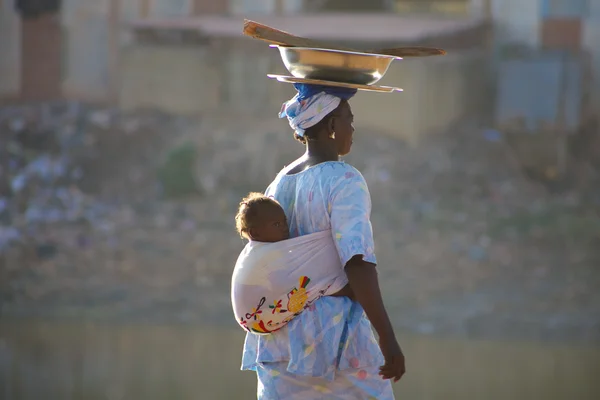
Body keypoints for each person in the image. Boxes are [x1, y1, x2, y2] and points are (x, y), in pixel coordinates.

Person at [241, 83, 405, 399]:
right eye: (349, 119)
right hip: (332, 343)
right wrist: (387, 338)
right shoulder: (344, 179)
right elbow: (357, 261)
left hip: (280, 338)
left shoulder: (280, 182)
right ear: (331, 126)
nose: (353, 129)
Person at [231, 192, 355, 334]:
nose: (284, 227)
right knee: (306, 283)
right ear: (255, 233)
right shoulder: (263, 255)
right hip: (259, 317)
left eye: (284, 222)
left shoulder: (257, 252)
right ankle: (340, 288)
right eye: (276, 224)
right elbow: (291, 279)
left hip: (253, 322)